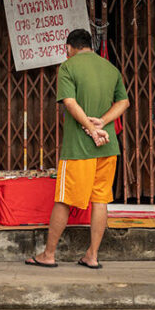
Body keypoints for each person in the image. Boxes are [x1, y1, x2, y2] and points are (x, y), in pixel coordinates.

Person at [26, 29, 129, 269]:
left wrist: (90, 130)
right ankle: (92, 255)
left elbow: (70, 103)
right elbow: (124, 102)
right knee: (101, 200)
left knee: (64, 200)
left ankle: (49, 255)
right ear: (90, 46)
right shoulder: (110, 68)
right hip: (107, 146)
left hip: (79, 149)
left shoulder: (68, 67)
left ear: (69, 47)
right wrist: (102, 123)